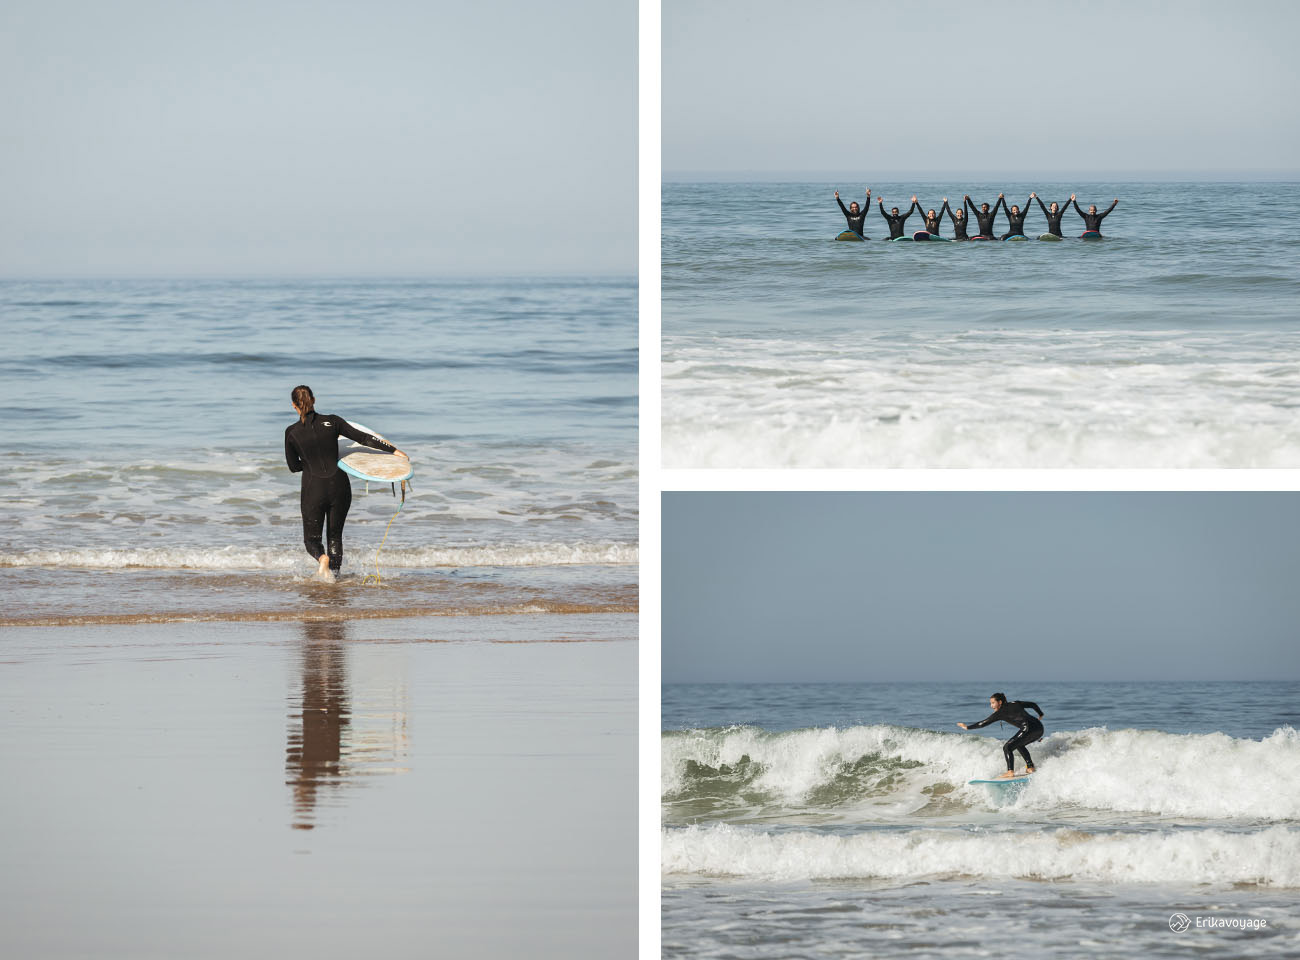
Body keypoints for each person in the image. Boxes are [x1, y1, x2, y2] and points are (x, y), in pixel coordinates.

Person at [284, 384, 408, 582]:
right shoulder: (333, 421)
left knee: (312, 540)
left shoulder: (291, 432)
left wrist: (309, 463)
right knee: (335, 537)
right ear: (314, 400)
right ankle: (334, 577)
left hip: (312, 488)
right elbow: (363, 438)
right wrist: (393, 451)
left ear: (293, 405)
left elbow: (293, 466)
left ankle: (322, 558)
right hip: (339, 486)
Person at [957, 692, 1045, 777]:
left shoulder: (999, 713)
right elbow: (1033, 704)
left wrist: (967, 727)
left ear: (1000, 702)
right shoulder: (1015, 703)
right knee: (1018, 744)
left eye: (993, 703)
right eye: (990, 703)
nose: (991, 706)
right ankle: (1030, 767)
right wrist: (1040, 714)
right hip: (1040, 728)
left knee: (1007, 747)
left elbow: (983, 723)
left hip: (1028, 728)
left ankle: (1010, 771)